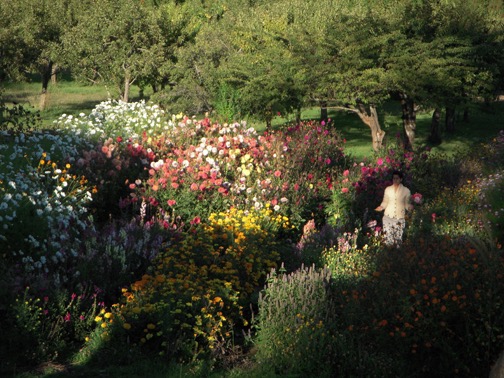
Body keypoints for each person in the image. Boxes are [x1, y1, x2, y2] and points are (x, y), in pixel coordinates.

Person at [375, 170, 413, 246]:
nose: (395, 180)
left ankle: (397, 256)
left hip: (399, 218)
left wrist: (410, 208)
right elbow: (385, 201)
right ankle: (388, 255)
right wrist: (381, 207)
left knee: (398, 240)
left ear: (401, 179)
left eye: (397, 178)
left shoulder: (406, 191)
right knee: (388, 240)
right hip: (388, 217)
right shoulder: (388, 189)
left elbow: (406, 204)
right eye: (394, 178)